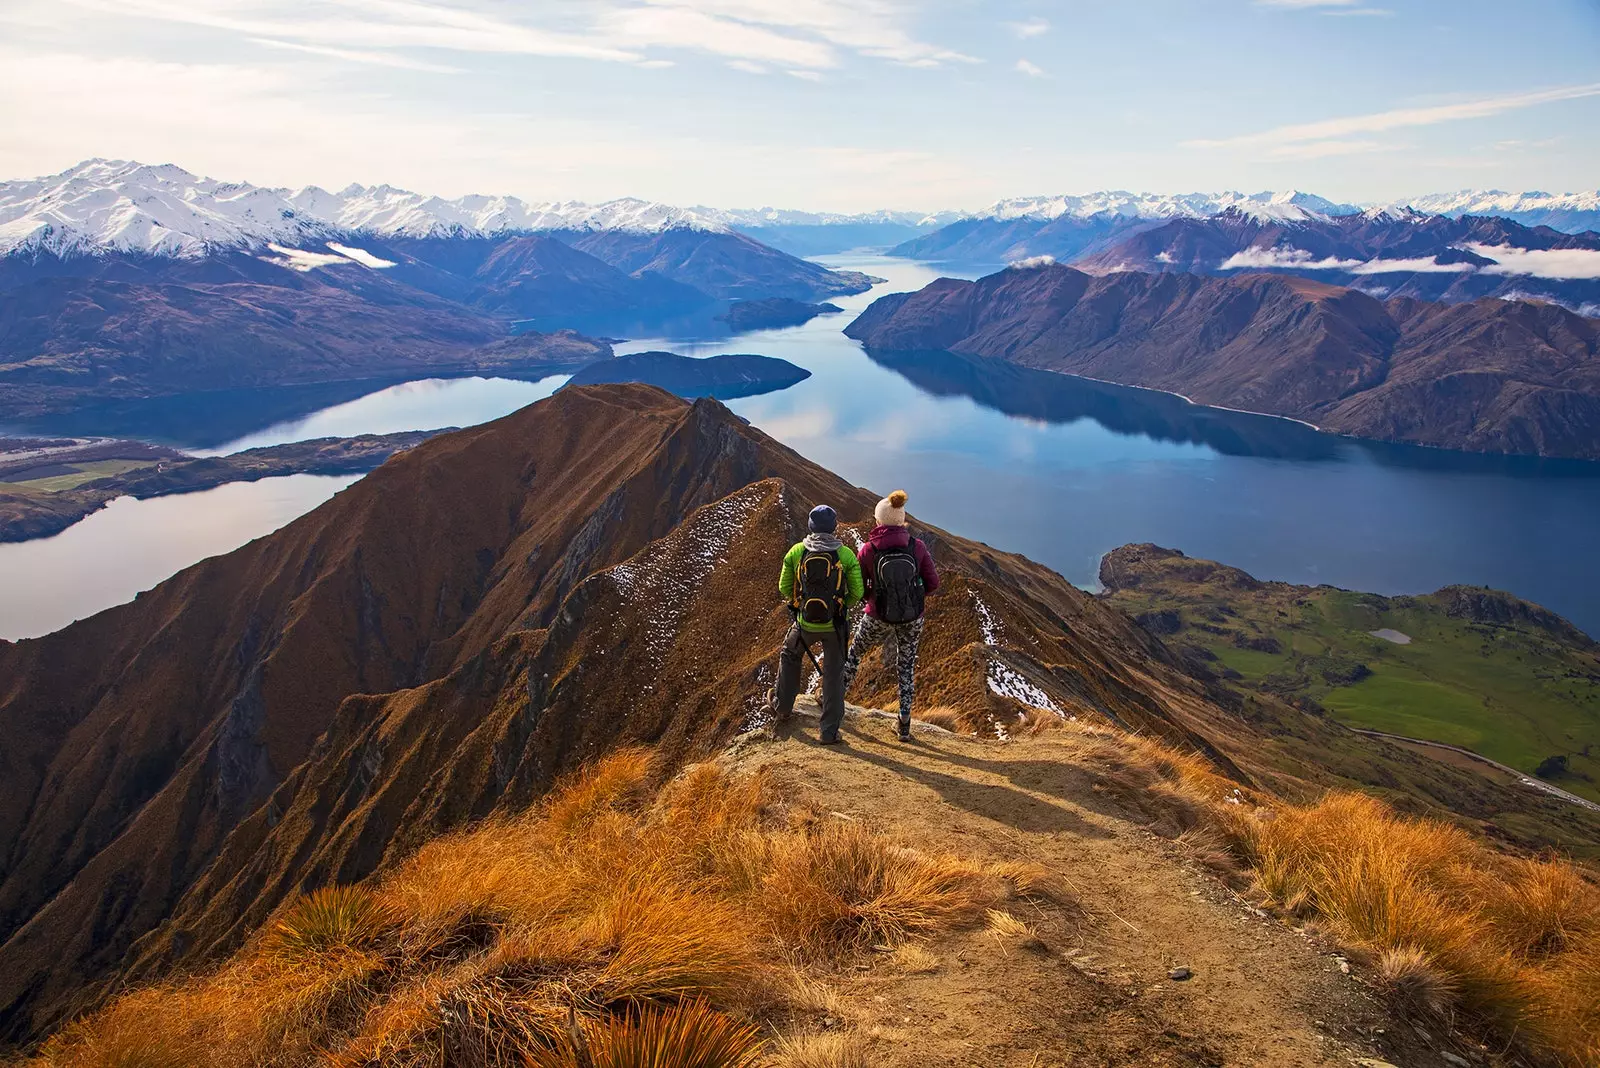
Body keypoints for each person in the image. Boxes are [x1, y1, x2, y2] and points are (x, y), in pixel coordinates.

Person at [842, 490, 940, 741]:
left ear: (879, 522)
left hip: (877, 614)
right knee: (906, 667)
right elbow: (933, 583)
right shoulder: (916, 547)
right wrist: (912, 598)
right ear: (902, 520)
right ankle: (904, 724)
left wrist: (874, 601)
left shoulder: (868, 549)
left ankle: (833, 703)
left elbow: (861, 587)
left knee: (855, 654)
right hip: (911, 616)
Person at [774, 504, 864, 744]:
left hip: (804, 624)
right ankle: (828, 732)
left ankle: (782, 708)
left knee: (789, 656)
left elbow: (784, 587)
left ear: (810, 526)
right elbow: (857, 591)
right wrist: (841, 605)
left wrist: (798, 603)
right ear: (834, 528)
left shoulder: (796, 552)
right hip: (835, 625)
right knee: (834, 674)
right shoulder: (845, 555)